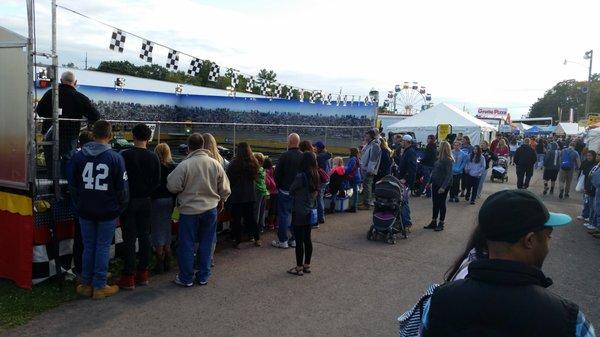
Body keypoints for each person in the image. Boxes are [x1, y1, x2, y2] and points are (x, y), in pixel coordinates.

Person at [407, 189, 597, 337]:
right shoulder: (568, 319)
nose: (548, 245)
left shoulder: (439, 300)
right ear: (529, 240)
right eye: (548, 237)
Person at [67, 120, 128, 299]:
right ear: (109, 135)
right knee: (102, 247)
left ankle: (86, 283)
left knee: (88, 246)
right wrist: (119, 208)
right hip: (107, 210)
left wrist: (79, 204)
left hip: (85, 209)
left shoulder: (78, 156)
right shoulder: (115, 157)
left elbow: (73, 185)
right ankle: (100, 285)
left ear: (93, 134)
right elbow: (122, 190)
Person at [167, 133, 231, 287]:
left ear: (189, 147)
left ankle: (186, 277)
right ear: (203, 145)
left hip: (189, 211)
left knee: (187, 244)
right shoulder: (215, 164)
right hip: (210, 210)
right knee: (206, 243)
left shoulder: (184, 165)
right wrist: (221, 200)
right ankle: (203, 276)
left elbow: (172, 186)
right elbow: (226, 189)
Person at [116, 124, 160, 290]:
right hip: (146, 200)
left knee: (129, 238)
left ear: (132, 136)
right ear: (148, 139)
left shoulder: (124, 155)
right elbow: (157, 181)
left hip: (129, 201)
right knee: (144, 236)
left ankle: (128, 276)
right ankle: (143, 273)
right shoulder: (153, 156)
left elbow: (119, 179)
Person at [36, 71, 100, 177]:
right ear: (75, 82)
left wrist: (53, 114)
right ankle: (66, 188)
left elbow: (40, 111)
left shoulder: (50, 93)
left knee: (51, 165)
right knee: (68, 164)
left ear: (61, 81)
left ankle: (52, 187)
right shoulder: (80, 97)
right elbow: (95, 116)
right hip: (69, 137)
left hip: (50, 135)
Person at [66, 131, 93, 282]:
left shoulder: (75, 158)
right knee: (91, 241)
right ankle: (89, 272)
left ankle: (82, 271)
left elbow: (71, 184)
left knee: (81, 240)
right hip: (96, 207)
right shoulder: (103, 157)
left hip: (81, 208)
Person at [286, 152, 320, 276]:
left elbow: (291, 190)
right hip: (309, 210)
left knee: (299, 241)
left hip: (299, 210)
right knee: (307, 239)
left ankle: (299, 267)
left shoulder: (301, 176)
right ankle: (307, 265)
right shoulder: (316, 174)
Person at [227, 142, 261, 248]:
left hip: (237, 195)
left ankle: (237, 240)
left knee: (237, 219)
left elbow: (229, 179)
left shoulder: (233, 163)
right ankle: (256, 238)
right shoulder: (254, 162)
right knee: (251, 218)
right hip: (250, 194)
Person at [272, 133, 303, 248]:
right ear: (298, 143)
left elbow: (277, 174)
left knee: (284, 215)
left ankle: (283, 240)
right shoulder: (302, 156)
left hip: (285, 190)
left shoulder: (284, 156)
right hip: (298, 192)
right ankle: (294, 239)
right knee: (295, 215)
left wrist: (279, 186)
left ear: (289, 142)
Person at [150, 143, 176, 274]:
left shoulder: (154, 166)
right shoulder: (172, 167)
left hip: (156, 200)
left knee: (157, 230)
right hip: (169, 200)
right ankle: (168, 255)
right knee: (166, 228)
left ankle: (159, 259)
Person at [424, 141, 453, 232]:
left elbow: (449, 175)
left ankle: (441, 222)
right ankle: (433, 221)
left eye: (439, 146)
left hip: (443, 185)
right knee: (435, 203)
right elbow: (434, 172)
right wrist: (429, 182)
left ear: (443, 148)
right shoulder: (439, 158)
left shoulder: (448, 160)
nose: (437, 147)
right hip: (436, 183)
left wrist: (443, 187)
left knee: (441, 203)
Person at [396, 135, 417, 227]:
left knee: (404, 201)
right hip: (402, 179)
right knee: (402, 201)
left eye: (403, 141)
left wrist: (405, 178)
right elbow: (403, 164)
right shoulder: (407, 151)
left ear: (407, 142)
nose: (401, 143)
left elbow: (412, 168)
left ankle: (406, 221)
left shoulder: (410, 152)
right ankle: (403, 220)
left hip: (406, 181)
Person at [358, 129, 382, 210]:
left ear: (371, 136)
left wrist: (370, 170)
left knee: (367, 186)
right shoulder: (370, 144)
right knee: (366, 186)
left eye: (366, 135)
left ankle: (367, 203)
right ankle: (365, 201)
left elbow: (373, 159)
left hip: (369, 170)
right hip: (366, 168)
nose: (365, 136)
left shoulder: (375, 145)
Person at [315, 141, 332, 224]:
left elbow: (318, 168)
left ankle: (320, 217)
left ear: (319, 148)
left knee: (319, 198)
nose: (314, 148)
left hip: (321, 179)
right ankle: (321, 215)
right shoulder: (327, 155)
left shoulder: (320, 157)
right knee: (321, 197)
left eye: (315, 147)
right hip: (326, 178)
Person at [579, 151, 597, 225]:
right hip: (586, 184)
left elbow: (591, 175)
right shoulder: (585, 162)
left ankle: (589, 217)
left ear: (594, 157)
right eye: (587, 156)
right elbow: (581, 171)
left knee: (591, 202)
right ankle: (585, 215)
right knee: (586, 200)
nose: (588, 157)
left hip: (591, 186)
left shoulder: (594, 165)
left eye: (590, 156)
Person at [254, 153, 269, 232]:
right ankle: (261, 227)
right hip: (264, 191)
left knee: (257, 210)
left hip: (258, 190)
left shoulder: (256, 169)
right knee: (262, 211)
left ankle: (255, 228)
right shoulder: (263, 169)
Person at [345, 148, 362, 213]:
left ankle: (353, 206)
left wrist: (344, 169)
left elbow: (350, 168)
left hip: (353, 177)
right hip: (357, 176)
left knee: (354, 192)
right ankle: (353, 206)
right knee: (355, 191)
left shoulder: (352, 159)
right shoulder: (357, 159)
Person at [263, 157, 278, 230]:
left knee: (268, 208)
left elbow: (267, 183)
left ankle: (269, 223)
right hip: (276, 190)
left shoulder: (265, 171)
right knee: (274, 208)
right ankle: (274, 223)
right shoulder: (274, 169)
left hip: (269, 192)